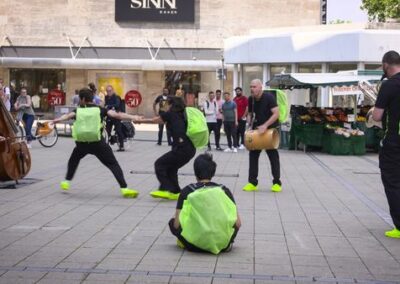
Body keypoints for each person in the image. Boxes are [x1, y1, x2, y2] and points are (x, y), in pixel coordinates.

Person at [51, 87, 142, 198]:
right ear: (92, 98)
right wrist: (134, 117)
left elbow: (66, 116)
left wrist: (56, 120)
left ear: (83, 99)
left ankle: (66, 181)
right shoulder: (100, 109)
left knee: (73, 160)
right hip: (98, 143)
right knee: (113, 164)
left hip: (82, 143)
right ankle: (124, 188)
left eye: (80, 99)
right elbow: (117, 115)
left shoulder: (78, 110)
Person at [169, 153, 241, 253]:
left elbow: (177, 224)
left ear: (195, 172)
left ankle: (186, 242)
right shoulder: (224, 190)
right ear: (213, 172)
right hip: (222, 244)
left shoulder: (187, 191)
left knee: (172, 222)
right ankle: (225, 242)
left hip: (193, 245)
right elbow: (238, 223)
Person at [143, 96, 196, 200]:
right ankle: (176, 191)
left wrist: (139, 120)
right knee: (172, 168)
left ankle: (166, 188)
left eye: (167, 103)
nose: (165, 105)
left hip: (182, 149)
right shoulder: (182, 114)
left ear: (171, 104)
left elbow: (156, 120)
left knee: (159, 164)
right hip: (189, 149)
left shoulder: (171, 114)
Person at [372, 50, 400, 239]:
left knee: (393, 182)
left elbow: (377, 116)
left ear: (385, 65)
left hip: (394, 141)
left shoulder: (389, 85)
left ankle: (398, 226)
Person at [243, 79, 282, 193]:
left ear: (260, 87)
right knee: (253, 156)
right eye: (251, 86)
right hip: (257, 131)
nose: (252, 89)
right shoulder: (251, 99)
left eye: (254, 86)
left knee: (273, 157)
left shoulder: (269, 98)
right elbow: (250, 114)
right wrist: (249, 125)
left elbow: (276, 113)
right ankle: (252, 183)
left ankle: (276, 183)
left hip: (269, 131)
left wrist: (265, 125)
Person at [104, 85, 125, 151]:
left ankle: (122, 146)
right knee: (107, 131)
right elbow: (105, 105)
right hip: (109, 116)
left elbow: (117, 105)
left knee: (118, 131)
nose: (108, 92)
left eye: (110, 91)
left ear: (113, 90)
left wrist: (108, 106)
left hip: (116, 116)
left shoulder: (116, 97)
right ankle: (106, 146)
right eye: (107, 91)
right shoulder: (106, 97)